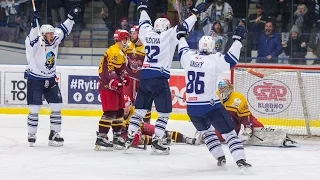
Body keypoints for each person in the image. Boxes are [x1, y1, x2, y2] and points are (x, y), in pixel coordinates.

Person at [124, 0, 207, 155]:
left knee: (140, 110)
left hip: (145, 77)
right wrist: (195, 14)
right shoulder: (169, 34)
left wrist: (142, 6)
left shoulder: (147, 33)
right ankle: (156, 141)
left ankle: (129, 137)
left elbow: (143, 20)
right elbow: (184, 27)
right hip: (159, 78)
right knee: (164, 113)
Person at [178, 25, 252, 170]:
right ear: (213, 47)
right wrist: (237, 40)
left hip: (192, 109)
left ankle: (220, 158)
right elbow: (231, 60)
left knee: (207, 132)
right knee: (229, 133)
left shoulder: (188, 57)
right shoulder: (213, 59)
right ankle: (240, 160)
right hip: (210, 106)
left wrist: (181, 36)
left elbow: (182, 49)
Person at [25, 5, 83, 147]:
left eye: (52, 33)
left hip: (50, 78)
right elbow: (32, 39)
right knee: (34, 109)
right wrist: (34, 25)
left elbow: (63, 29)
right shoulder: (35, 41)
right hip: (35, 78)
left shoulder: (55, 38)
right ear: (43, 34)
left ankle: (54, 133)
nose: (52, 36)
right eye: (49, 34)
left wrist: (71, 18)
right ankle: (31, 134)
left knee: (57, 105)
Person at [215, 79, 298, 147]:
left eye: (224, 88)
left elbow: (245, 116)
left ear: (230, 88)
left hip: (238, 117)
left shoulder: (238, 98)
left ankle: (282, 137)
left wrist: (248, 127)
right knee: (219, 138)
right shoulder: (214, 96)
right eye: (220, 88)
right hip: (224, 121)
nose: (222, 90)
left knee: (260, 128)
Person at [94, 29, 131, 151]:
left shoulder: (120, 51)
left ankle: (117, 136)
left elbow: (119, 69)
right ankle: (101, 137)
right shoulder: (115, 52)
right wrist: (113, 81)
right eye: (126, 39)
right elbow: (108, 69)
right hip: (107, 87)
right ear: (121, 39)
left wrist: (124, 77)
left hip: (115, 88)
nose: (127, 41)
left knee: (120, 111)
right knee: (110, 112)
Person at [121, 95, 198, 149]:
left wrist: (138, 131)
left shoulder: (134, 110)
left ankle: (185, 139)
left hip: (141, 127)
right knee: (136, 140)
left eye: (128, 104)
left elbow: (143, 115)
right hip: (125, 132)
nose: (126, 108)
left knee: (161, 132)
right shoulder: (119, 113)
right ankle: (159, 140)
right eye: (124, 106)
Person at [123, 25, 151, 123]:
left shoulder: (147, 47)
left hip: (142, 81)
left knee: (145, 104)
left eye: (134, 33)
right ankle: (125, 126)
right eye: (131, 33)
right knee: (126, 104)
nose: (132, 35)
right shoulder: (127, 46)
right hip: (129, 80)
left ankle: (147, 126)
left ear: (140, 34)